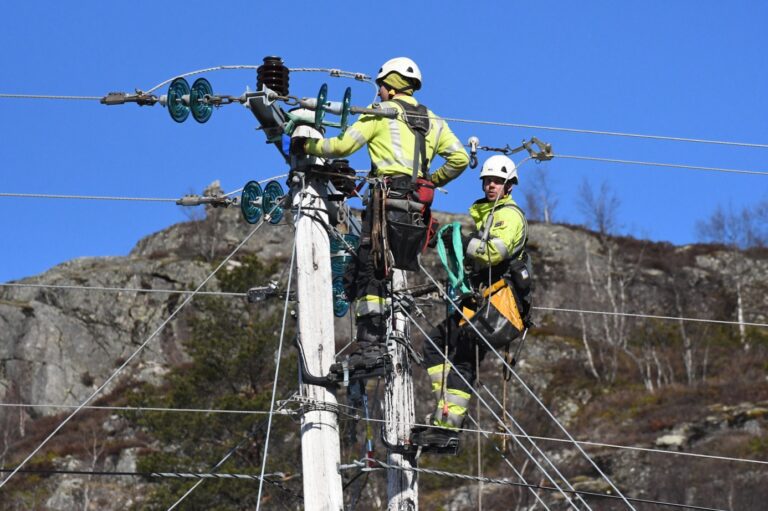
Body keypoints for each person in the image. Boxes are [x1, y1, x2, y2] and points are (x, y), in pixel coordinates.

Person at [298, 57, 469, 373]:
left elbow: (341, 147)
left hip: (385, 203)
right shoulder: (433, 120)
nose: (377, 92)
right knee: (372, 272)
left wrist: (307, 144)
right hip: (416, 210)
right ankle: (372, 347)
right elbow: (459, 158)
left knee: (369, 271)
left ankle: (372, 349)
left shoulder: (380, 114)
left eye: (381, 85)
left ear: (391, 85)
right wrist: (431, 179)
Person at [410, 154, 533, 451]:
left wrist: (465, 243)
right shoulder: (489, 215)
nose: (491, 185)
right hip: (480, 302)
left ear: (509, 185)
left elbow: (493, 254)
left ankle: (449, 425)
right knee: (434, 344)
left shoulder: (509, 216)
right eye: (488, 181)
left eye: (497, 181)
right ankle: (445, 411)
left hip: (498, 305)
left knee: (464, 360)